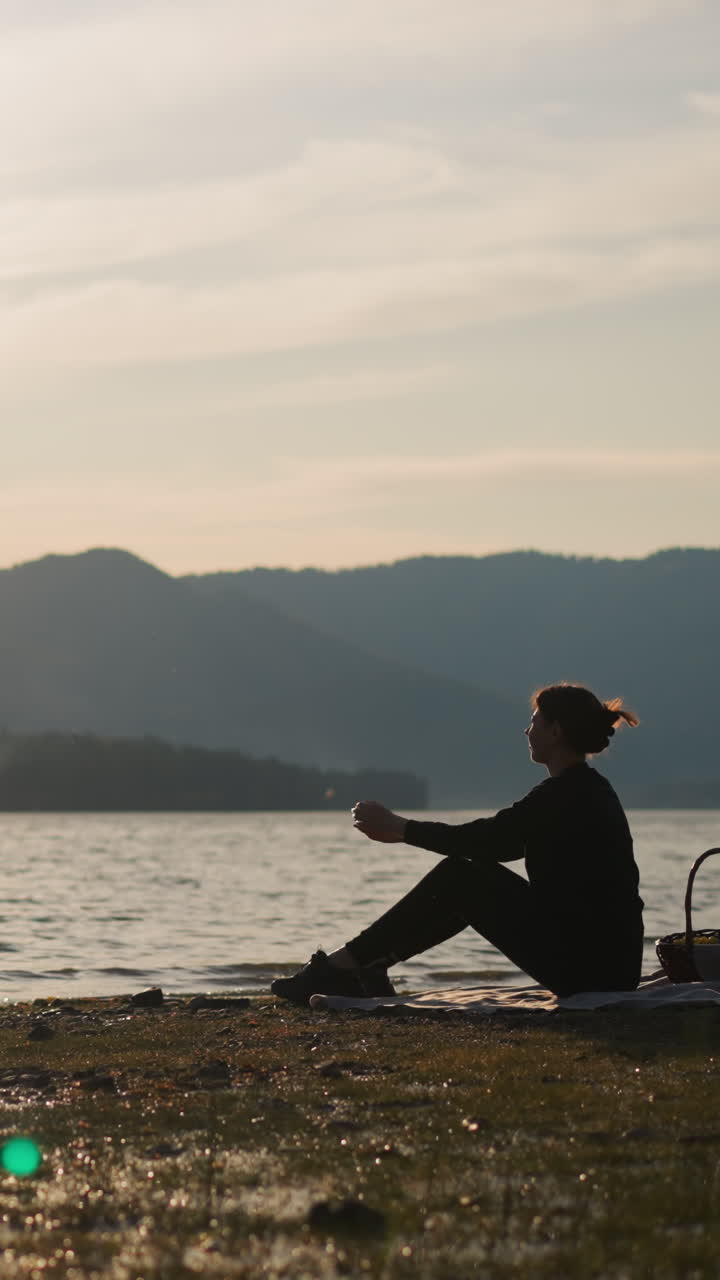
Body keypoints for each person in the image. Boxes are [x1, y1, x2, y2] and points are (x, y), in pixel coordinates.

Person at [271, 683, 644, 1004]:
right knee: (465, 875)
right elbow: (495, 844)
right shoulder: (586, 790)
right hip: (607, 967)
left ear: (555, 731)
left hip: (590, 971)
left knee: (461, 876)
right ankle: (363, 967)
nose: (526, 731)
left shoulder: (567, 794)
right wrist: (403, 831)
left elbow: (483, 841)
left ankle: (342, 967)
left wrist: (399, 826)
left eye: (533, 722)